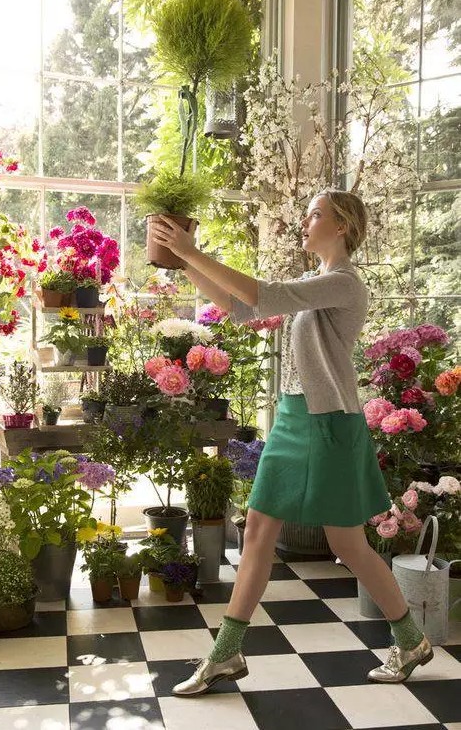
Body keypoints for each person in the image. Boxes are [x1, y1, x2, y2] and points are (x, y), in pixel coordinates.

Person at [150, 189, 433, 697]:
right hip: (293, 418)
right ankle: (226, 652)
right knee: (258, 528)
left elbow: (264, 295)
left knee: (347, 543)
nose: (305, 221)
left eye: (315, 214)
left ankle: (410, 640)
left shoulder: (344, 283)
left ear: (342, 226)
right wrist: (182, 262)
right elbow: (240, 308)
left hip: (331, 424)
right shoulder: (313, 282)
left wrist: (192, 251)